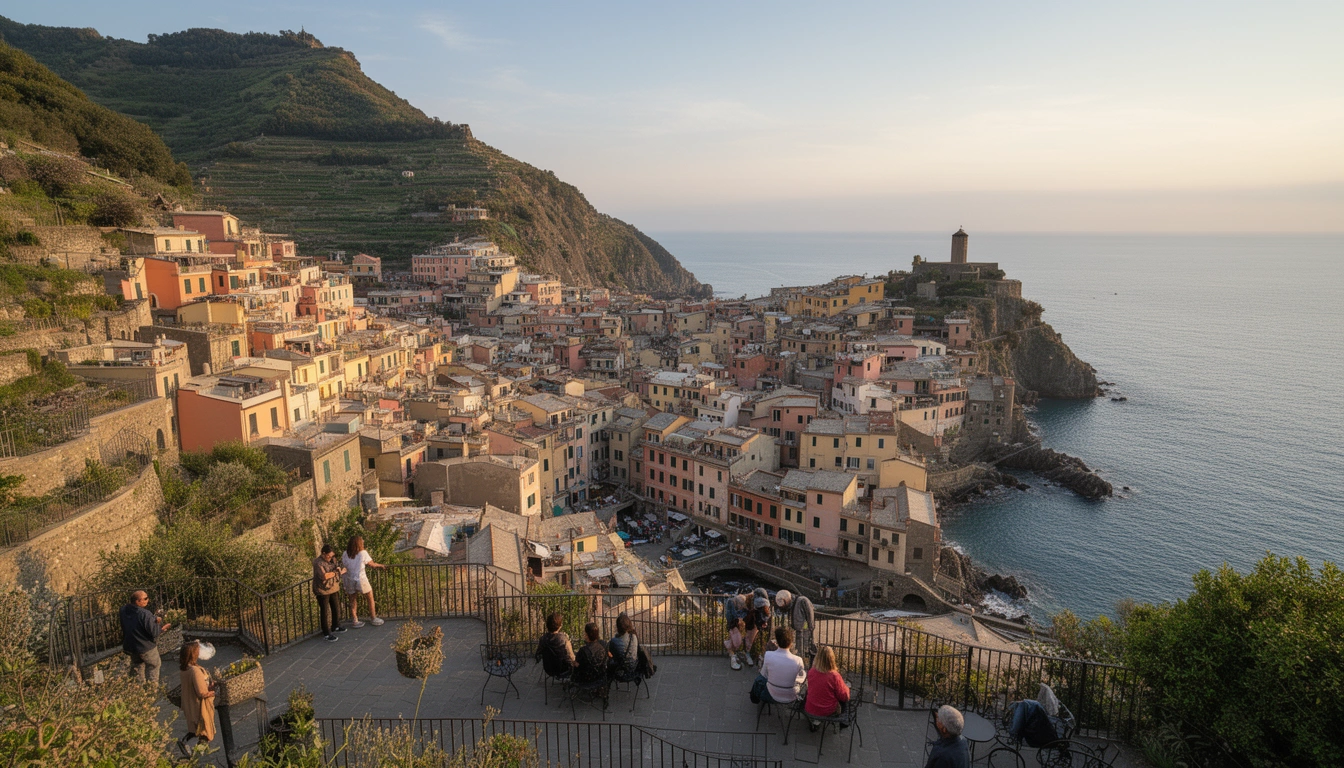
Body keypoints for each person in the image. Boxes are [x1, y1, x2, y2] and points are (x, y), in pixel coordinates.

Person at [175, 641, 216, 757]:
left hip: (189, 705)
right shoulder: (195, 671)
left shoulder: (184, 668)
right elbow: (202, 692)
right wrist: (211, 691)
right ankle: (195, 753)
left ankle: (186, 743)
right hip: (198, 706)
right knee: (204, 731)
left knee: (195, 729)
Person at [120, 590, 170, 683]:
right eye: (145, 598)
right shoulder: (145, 613)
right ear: (138, 601)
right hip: (145, 646)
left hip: (131, 646)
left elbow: (134, 621)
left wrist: (153, 619)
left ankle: (137, 690)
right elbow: (154, 632)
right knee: (154, 665)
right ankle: (151, 691)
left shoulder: (123, 610)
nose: (148, 600)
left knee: (137, 667)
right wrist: (161, 628)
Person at [750, 627, 807, 706]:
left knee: (759, 679)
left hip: (771, 695)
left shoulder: (769, 655)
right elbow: (801, 679)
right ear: (791, 643)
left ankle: (754, 697)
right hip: (790, 696)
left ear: (777, 641)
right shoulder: (798, 660)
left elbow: (763, 675)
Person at [341, 535, 387, 627]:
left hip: (350, 579)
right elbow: (372, 564)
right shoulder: (363, 553)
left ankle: (355, 620)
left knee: (353, 600)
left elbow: (344, 566)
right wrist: (381, 565)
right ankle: (373, 617)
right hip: (361, 578)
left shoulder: (345, 554)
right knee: (370, 597)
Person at [804, 645, 851, 730]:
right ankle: (844, 721)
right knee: (845, 701)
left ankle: (815, 721)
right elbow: (844, 696)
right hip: (827, 710)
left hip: (810, 708)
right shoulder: (834, 676)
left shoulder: (811, 672)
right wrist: (846, 688)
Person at [313, 544, 347, 642]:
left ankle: (336, 625)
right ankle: (326, 632)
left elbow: (336, 568)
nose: (330, 558)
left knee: (336, 607)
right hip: (322, 590)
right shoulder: (318, 562)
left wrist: (338, 570)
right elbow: (325, 576)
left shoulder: (332, 559)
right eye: (329, 556)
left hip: (333, 587)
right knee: (325, 611)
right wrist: (338, 573)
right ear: (323, 554)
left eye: (332, 556)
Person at [774, 590, 816, 660]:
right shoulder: (793, 603)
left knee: (807, 649)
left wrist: (811, 628)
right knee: (799, 650)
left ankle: (804, 663)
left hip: (805, 630)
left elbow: (810, 615)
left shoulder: (802, 600)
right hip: (798, 630)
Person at [534, 612, 578, 678]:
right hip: (563, 669)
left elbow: (538, 654)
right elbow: (572, 656)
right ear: (560, 626)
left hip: (548, 669)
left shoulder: (543, 639)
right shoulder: (563, 639)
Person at [607, 612, 639, 679]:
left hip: (622, 670)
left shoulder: (614, 641)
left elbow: (610, 652)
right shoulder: (634, 636)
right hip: (634, 666)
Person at [723, 594, 749, 669]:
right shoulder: (731, 604)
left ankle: (733, 656)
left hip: (733, 625)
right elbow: (733, 615)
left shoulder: (731, 603)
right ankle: (733, 657)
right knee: (735, 640)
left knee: (733, 639)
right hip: (733, 625)